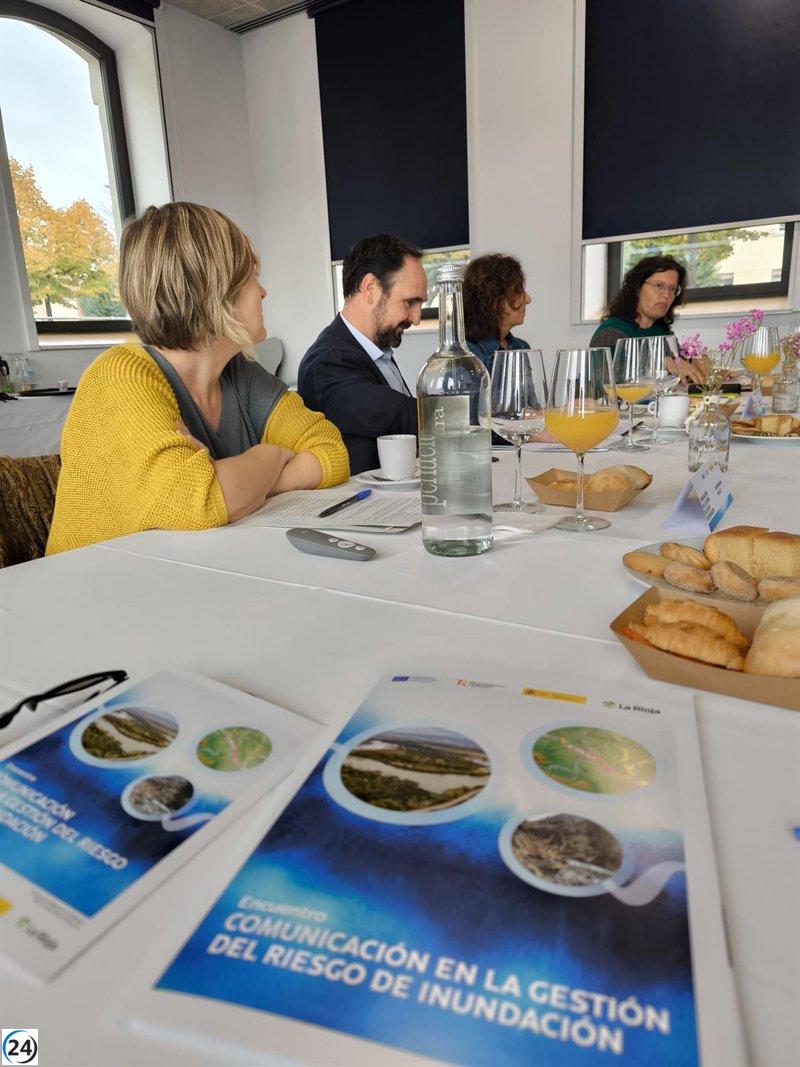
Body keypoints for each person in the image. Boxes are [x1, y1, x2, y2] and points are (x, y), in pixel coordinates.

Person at [47, 203, 349, 555]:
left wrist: (241, 482)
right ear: (211, 291)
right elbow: (196, 499)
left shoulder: (240, 374)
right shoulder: (119, 376)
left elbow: (332, 453)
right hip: (94, 583)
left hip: (185, 571)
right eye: (251, 277)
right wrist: (271, 454)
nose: (263, 292)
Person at [298, 234, 427, 475]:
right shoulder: (329, 361)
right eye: (410, 302)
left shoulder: (376, 351)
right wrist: (478, 417)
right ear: (370, 288)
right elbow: (405, 417)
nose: (417, 318)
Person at [590, 254, 703, 385]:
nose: (667, 295)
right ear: (637, 288)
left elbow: (680, 365)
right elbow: (605, 386)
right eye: (659, 285)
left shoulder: (661, 333)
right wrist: (661, 362)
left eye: (672, 289)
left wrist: (696, 359)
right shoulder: (611, 332)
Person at [463, 253, 532, 373]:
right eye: (517, 291)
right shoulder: (467, 356)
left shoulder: (521, 347)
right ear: (493, 300)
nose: (528, 299)